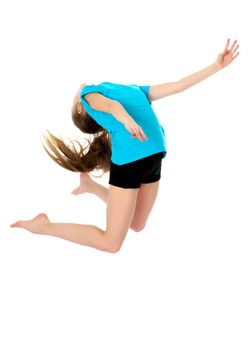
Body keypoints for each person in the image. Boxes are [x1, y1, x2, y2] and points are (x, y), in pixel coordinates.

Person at [10, 38, 239, 253]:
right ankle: (43, 226)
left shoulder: (131, 89)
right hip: (130, 160)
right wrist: (127, 120)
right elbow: (110, 106)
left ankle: (89, 186)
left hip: (152, 155)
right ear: (81, 109)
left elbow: (177, 86)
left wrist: (216, 66)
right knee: (111, 243)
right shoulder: (88, 96)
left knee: (137, 224)